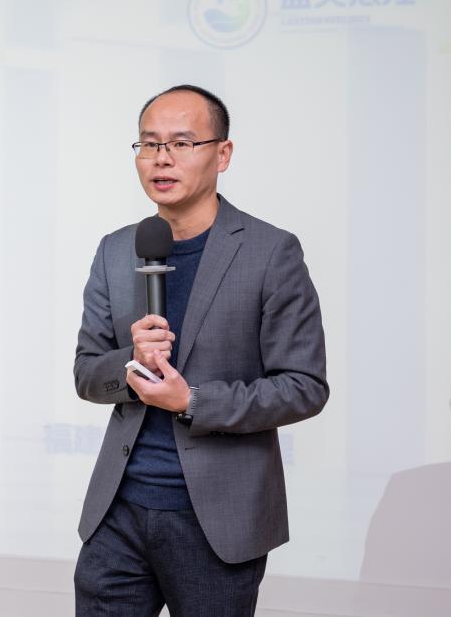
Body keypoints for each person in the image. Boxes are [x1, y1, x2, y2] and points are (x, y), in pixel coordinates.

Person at [73, 85, 328, 616]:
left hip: (216, 520)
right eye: (149, 144)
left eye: (182, 143)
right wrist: (130, 364)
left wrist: (191, 400)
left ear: (223, 154)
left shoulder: (270, 252)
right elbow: (87, 374)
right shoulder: (117, 250)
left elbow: (304, 386)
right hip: (118, 512)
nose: (162, 158)